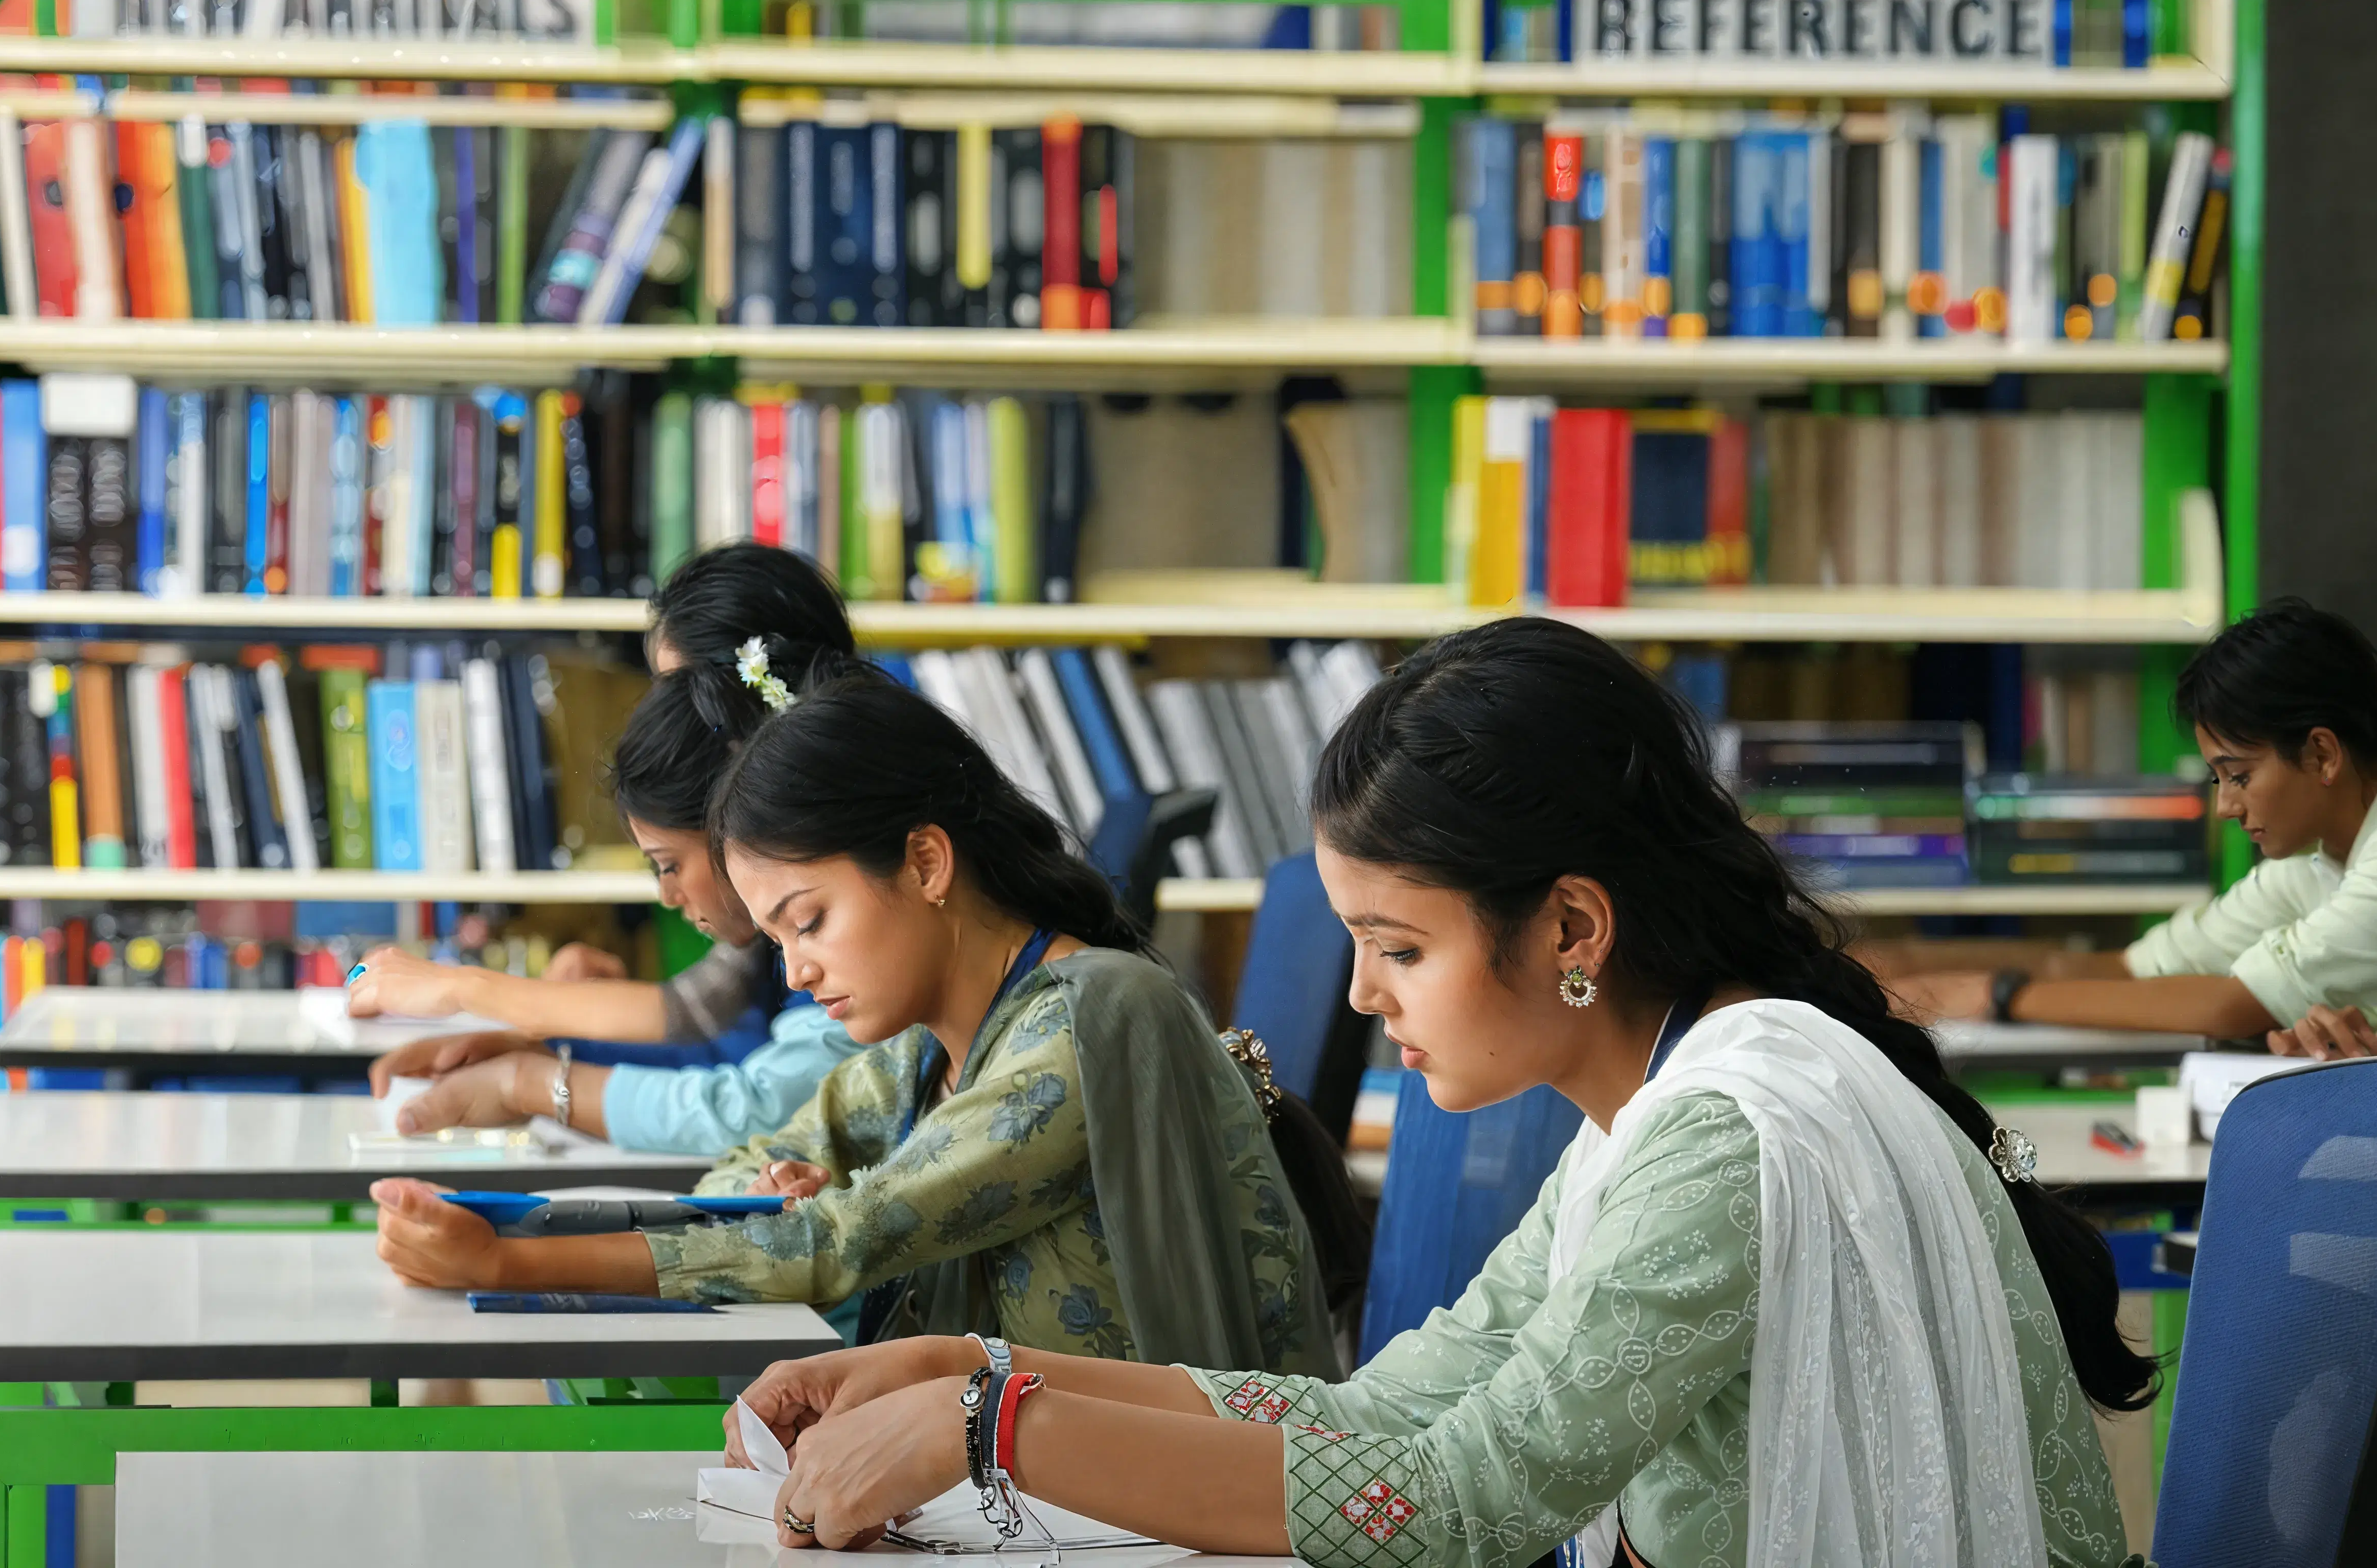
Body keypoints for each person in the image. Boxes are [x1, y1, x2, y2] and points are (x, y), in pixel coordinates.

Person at [719, 618, 2148, 1568]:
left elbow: (1460, 1505)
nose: (1361, 997)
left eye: (1400, 947)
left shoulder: (1726, 1139)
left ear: (1573, 931)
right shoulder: (1649, 1131)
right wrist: (979, 1372)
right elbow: (1396, 1416)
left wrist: (995, 1433)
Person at [370, 675, 1341, 1377]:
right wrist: (763, 1186)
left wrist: (508, 1261)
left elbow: (842, 1240)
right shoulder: (927, 1051)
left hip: (1162, 1516)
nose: (794, 970)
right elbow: (760, 1157)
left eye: (810, 920)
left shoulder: (1087, 1021)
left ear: (924, 863)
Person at [1891, 598, 2377, 1049]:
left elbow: (2231, 1006)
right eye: (2217, 779)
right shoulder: (2323, 863)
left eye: (2240, 775)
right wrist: (1918, 971)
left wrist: (1999, 997)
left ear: (2322, 755)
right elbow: (2140, 970)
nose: (2225, 806)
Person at [356, 646, 875, 1155]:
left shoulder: (841, 950)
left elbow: (750, 1106)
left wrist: (526, 1076)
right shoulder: (779, 946)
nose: (667, 896)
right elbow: (716, 1044)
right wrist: (548, 1052)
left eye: (668, 865)